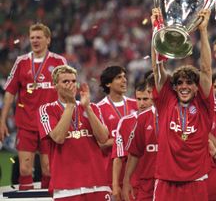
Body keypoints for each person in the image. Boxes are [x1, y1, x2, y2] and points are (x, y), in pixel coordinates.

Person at [151, 7, 214, 201]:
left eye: (189, 82)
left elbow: (206, 69)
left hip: (196, 181)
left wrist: (203, 31)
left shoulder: (204, 104)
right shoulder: (167, 100)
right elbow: (157, 67)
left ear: (197, 87)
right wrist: (156, 29)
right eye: (179, 83)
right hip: (166, 182)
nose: (184, 87)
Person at [0, 23, 67, 190]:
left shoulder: (59, 61)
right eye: (32, 38)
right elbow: (9, 92)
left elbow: (68, 91)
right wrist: (2, 121)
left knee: (48, 169)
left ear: (48, 40)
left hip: (50, 125)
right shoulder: (21, 62)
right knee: (24, 169)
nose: (35, 41)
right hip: (26, 123)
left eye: (39, 37)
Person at [37, 65, 109, 200]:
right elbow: (58, 137)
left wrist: (87, 108)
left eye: (73, 81)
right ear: (55, 86)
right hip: (66, 187)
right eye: (65, 82)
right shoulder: (47, 110)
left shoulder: (92, 107)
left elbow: (103, 138)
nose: (71, 85)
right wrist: (70, 105)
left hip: (97, 183)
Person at [97, 65, 138, 198]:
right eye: (119, 77)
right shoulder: (98, 109)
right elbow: (100, 143)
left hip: (135, 171)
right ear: (108, 83)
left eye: (124, 77)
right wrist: (123, 140)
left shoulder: (136, 105)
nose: (124, 80)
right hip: (110, 173)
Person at [112, 79, 153, 201]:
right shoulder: (125, 122)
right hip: (137, 184)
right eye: (138, 99)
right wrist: (116, 185)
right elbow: (119, 156)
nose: (141, 103)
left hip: (161, 180)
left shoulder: (163, 118)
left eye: (145, 99)